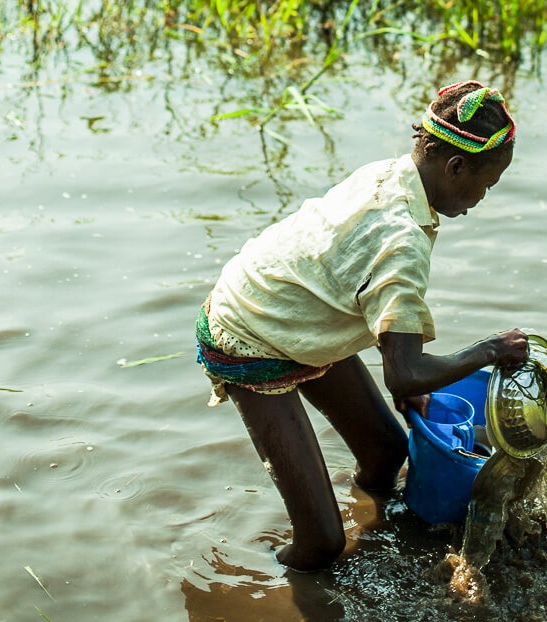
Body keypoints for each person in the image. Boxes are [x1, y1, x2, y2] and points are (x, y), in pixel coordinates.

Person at [195, 80, 529, 571]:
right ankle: (260, 587)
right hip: (252, 333)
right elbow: (406, 377)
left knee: (388, 451)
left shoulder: (394, 174)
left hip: (301, 311)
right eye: (487, 183)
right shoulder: (403, 238)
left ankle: (374, 532)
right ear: (456, 166)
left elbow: (359, 282)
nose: (484, 196)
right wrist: (489, 352)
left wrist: (402, 360)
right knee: (323, 545)